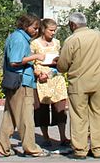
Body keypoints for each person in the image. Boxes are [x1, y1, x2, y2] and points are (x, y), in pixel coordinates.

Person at [55, 11, 100, 158]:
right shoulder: (97, 35)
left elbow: (63, 65)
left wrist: (57, 62)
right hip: (98, 81)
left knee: (79, 116)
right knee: (99, 114)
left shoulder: (71, 40)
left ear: (73, 24)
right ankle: (99, 149)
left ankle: (80, 150)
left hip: (79, 83)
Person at [0, 14, 44, 157]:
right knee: (25, 117)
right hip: (21, 83)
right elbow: (15, 61)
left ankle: (2, 147)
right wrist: (35, 56)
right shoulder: (19, 39)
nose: (36, 31)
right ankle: (31, 148)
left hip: (15, 81)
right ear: (25, 26)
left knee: (10, 116)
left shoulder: (16, 37)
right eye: (34, 28)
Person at [30, 18, 71, 150]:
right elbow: (32, 62)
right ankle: (46, 137)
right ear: (44, 29)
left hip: (55, 77)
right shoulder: (35, 44)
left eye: (55, 31)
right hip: (41, 79)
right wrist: (38, 73)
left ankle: (63, 136)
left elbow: (60, 60)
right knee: (42, 109)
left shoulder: (57, 43)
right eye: (51, 30)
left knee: (60, 108)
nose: (53, 33)